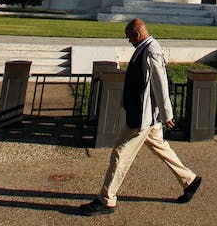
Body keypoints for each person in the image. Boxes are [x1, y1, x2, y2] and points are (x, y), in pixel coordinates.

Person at [79, 19, 202, 216]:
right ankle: (190, 180)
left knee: (120, 154)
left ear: (137, 34)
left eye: (129, 38)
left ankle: (107, 199)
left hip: (143, 117)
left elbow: (160, 82)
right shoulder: (143, 47)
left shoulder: (151, 50)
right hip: (145, 115)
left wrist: (166, 113)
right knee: (162, 149)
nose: (129, 41)